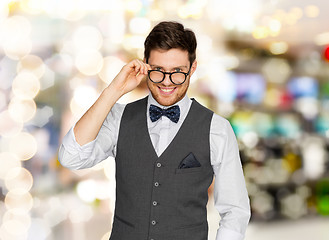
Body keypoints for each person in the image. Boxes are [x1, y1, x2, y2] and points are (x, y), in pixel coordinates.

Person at [59, 21, 250, 240]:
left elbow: (235, 211)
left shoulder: (217, 129)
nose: (167, 82)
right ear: (145, 65)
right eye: (158, 71)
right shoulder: (119, 118)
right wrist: (114, 90)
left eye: (178, 72)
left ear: (193, 68)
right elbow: (71, 157)